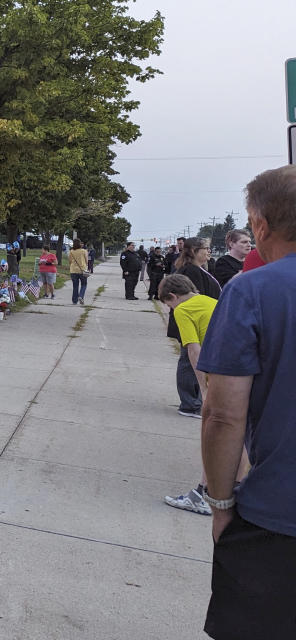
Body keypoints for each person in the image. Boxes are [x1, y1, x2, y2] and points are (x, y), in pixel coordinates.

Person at [197, 165, 296, 639]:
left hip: (278, 519)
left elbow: (222, 413)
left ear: (260, 225)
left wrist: (220, 504)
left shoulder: (252, 290)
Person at [158, 274, 220, 514]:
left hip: (217, 375)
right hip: (238, 371)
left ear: (173, 297)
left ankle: (204, 494)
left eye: (168, 305)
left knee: (212, 437)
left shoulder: (183, 310)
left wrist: (203, 388)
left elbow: (194, 350)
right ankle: (211, 490)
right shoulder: (210, 301)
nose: (171, 309)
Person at [166, 237, 221, 418]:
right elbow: (192, 300)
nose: (208, 252)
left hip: (196, 323)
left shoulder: (199, 269)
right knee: (189, 361)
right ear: (194, 251)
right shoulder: (191, 271)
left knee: (193, 361)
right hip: (191, 323)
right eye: (205, 248)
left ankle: (194, 400)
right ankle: (189, 404)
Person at [68, 239, 89, 304]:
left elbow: (70, 261)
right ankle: (81, 296)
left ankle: (74, 301)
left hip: (73, 270)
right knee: (84, 284)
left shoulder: (71, 251)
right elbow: (86, 261)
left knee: (75, 286)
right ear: (80, 244)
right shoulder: (84, 251)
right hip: (82, 270)